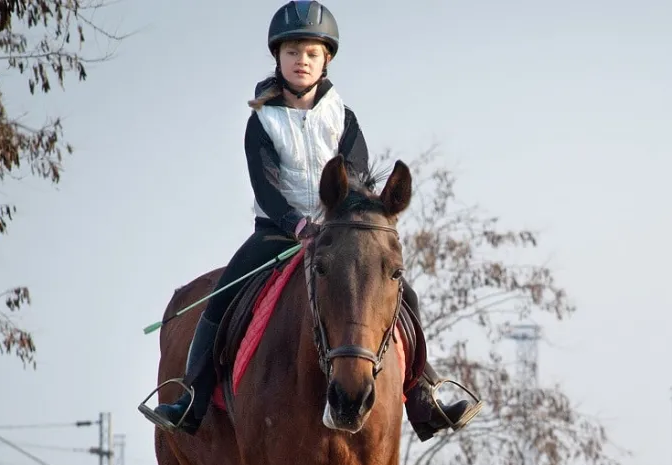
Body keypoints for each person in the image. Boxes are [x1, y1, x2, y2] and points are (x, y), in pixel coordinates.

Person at [143, 0, 482, 441]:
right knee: (221, 301)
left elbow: (356, 179)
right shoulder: (262, 121)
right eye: (291, 53)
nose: (300, 61)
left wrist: (342, 223)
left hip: (338, 235)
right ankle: (192, 396)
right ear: (277, 58)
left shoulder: (344, 117)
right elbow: (266, 187)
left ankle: (424, 395)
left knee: (402, 296)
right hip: (276, 233)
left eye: (310, 53)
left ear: (326, 60)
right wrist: (297, 224)